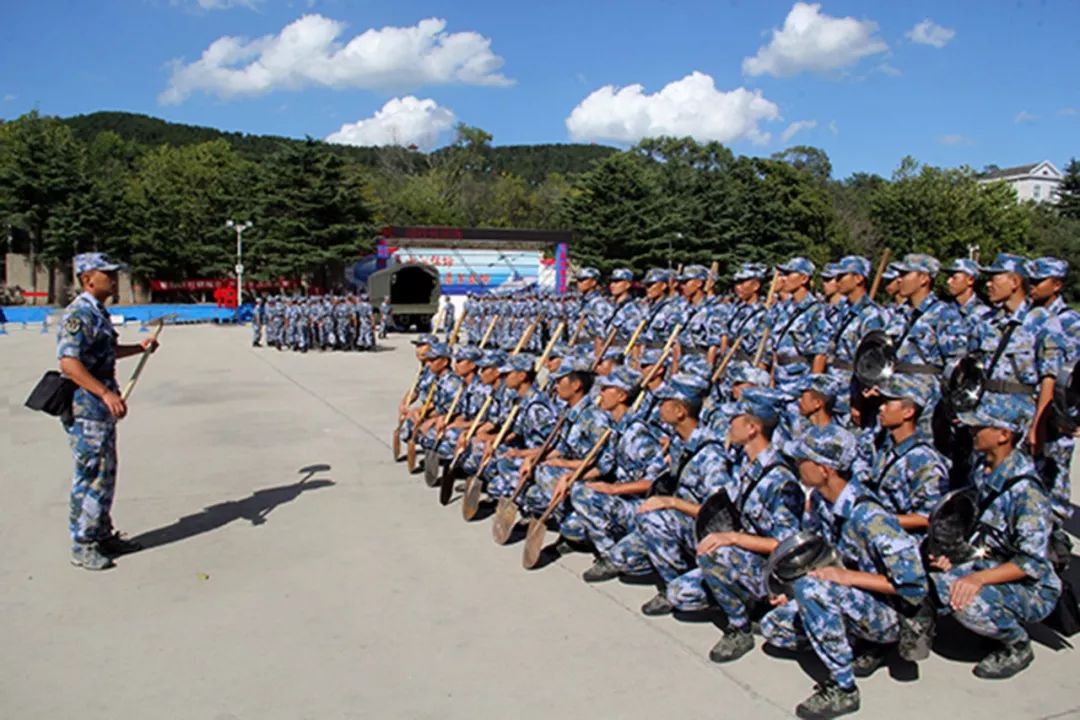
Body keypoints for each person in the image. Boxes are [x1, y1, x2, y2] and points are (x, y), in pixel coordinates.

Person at [761, 424, 929, 720]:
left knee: (811, 592)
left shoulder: (870, 517)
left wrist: (847, 578)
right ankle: (858, 644)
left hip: (891, 614)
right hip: (853, 599)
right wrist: (791, 594)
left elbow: (914, 586)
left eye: (804, 460)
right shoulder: (823, 503)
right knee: (774, 627)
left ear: (824, 469)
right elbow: (818, 556)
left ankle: (843, 687)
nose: (798, 466)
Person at [929, 393, 1060, 679]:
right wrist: (955, 559)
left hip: (1031, 586)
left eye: (981, 427)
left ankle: (1016, 643)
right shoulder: (983, 469)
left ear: (1004, 434)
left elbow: (1031, 563)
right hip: (989, 561)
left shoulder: (1028, 493)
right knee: (935, 579)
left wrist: (976, 579)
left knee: (970, 603)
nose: (973, 431)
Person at [58, 252, 160, 571]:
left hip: (100, 410)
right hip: (87, 407)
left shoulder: (98, 313)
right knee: (90, 475)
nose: (114, 280)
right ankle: (83, 543)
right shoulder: (78, 314)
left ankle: (101, 534)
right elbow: (69, 363)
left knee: (105, 474)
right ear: (88, 279)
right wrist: (103, 393)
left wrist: (139, 348)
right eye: (108, 274)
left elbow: (107, 351)